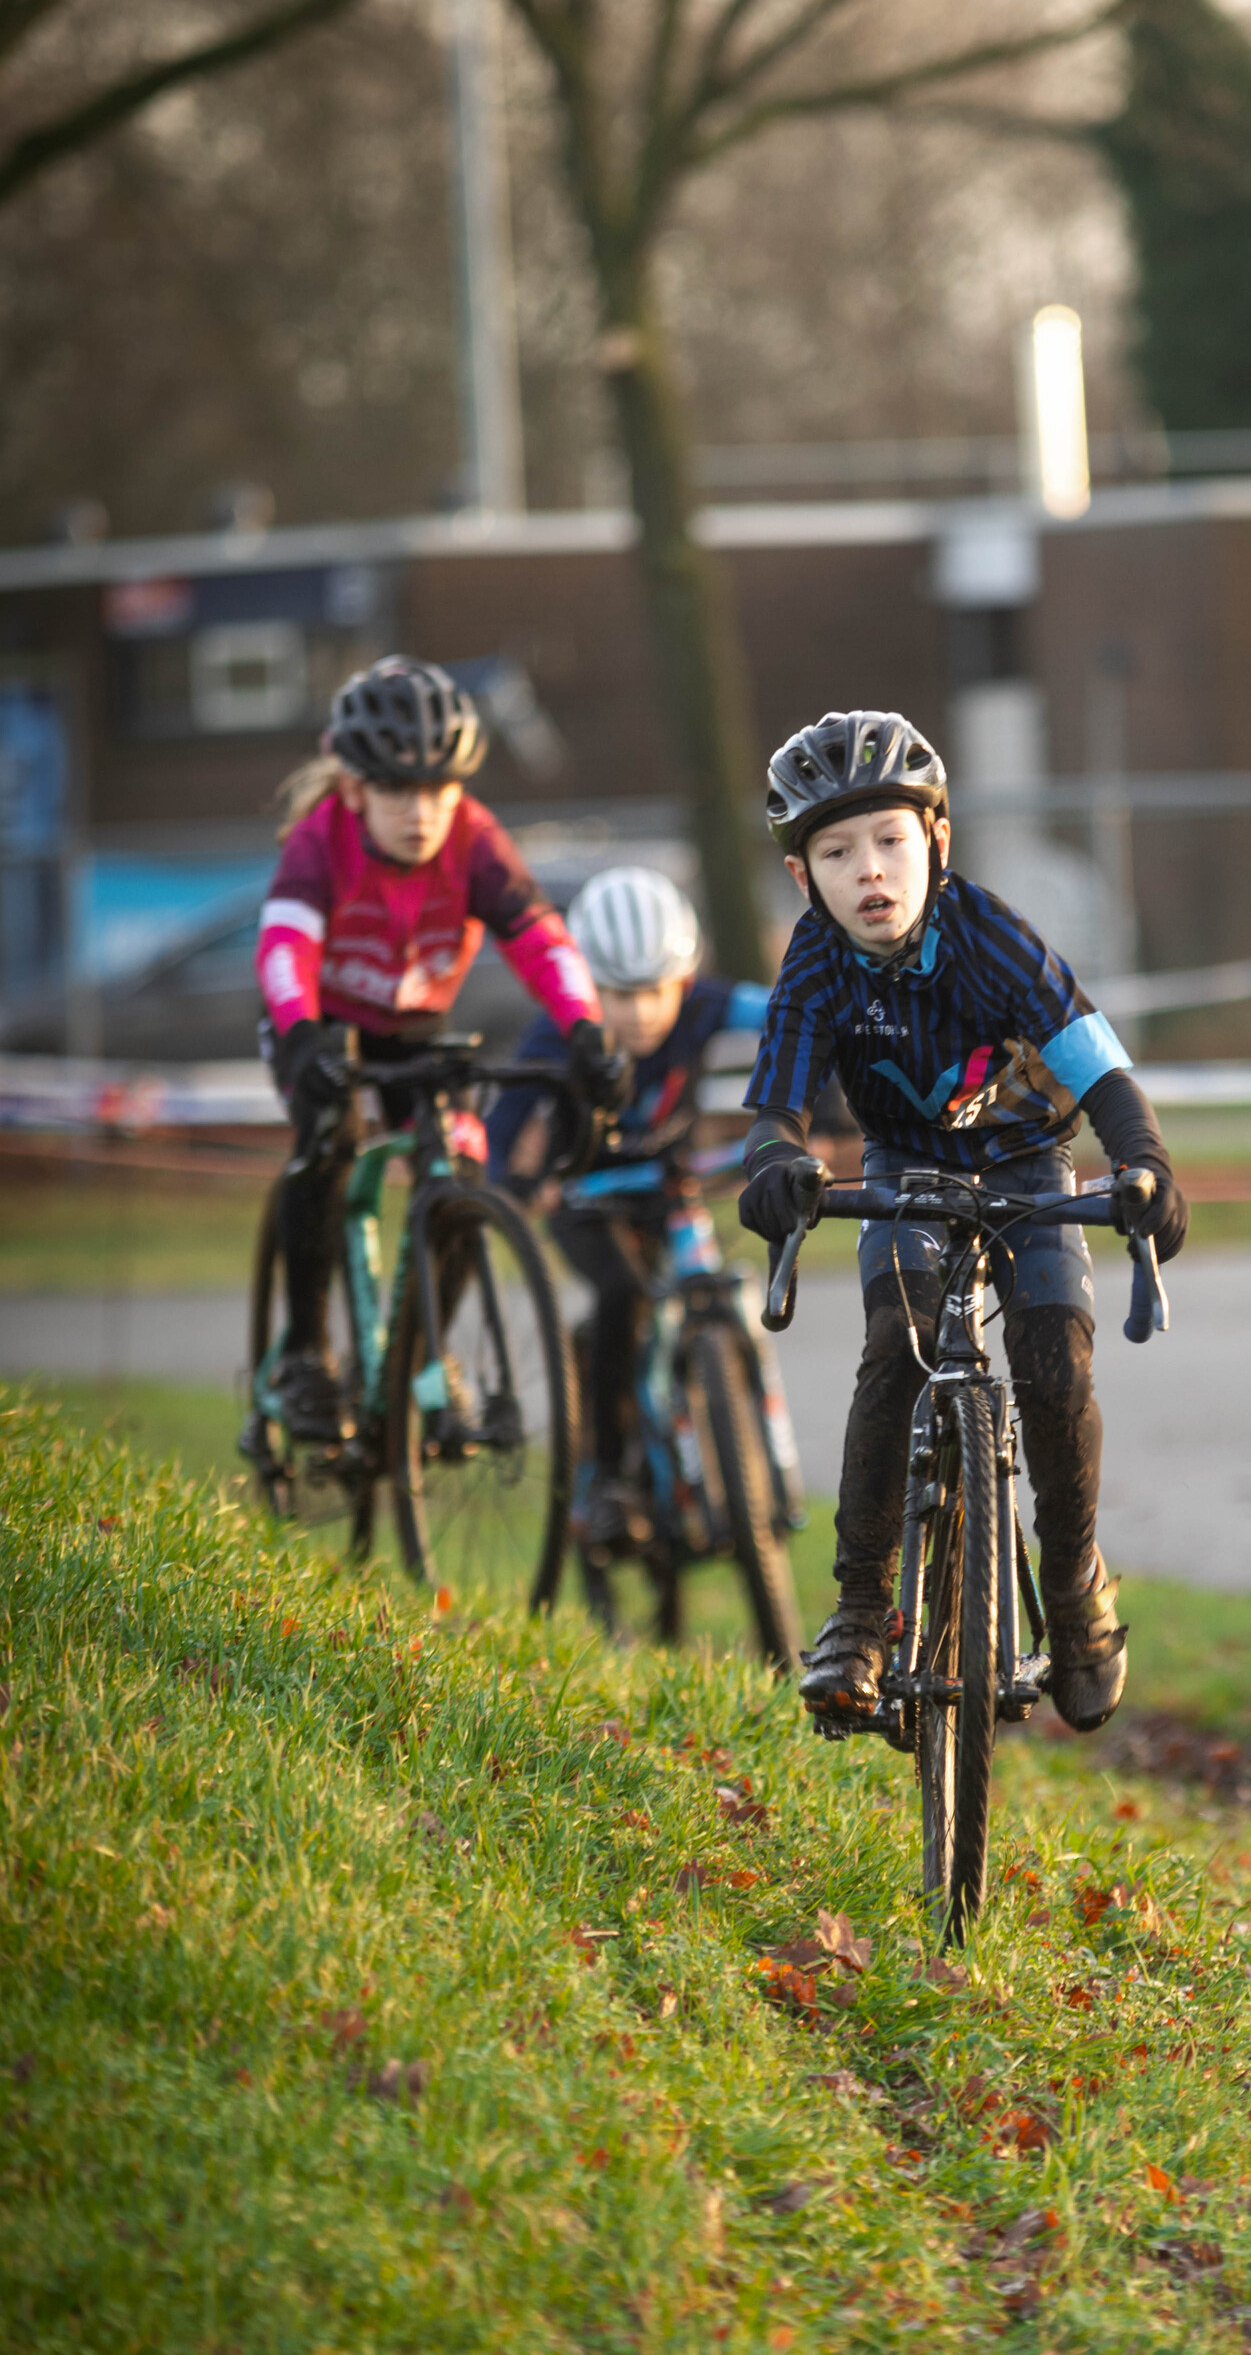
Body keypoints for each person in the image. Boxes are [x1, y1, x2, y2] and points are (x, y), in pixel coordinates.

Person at [737, 706, 1187, 1735]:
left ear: (935, 840)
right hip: (904, 1167)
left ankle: (1072, 1586)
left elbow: (1095, 1063)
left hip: (1028, 1161)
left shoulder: (987, 935)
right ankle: (859, 1614)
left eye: (891, 840)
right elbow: (777, 1103)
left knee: (1054, 1360)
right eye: (837, 852)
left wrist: (1143, 1161)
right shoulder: (814, 961)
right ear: (804, 878)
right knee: (893, 1350)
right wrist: (773, 1165)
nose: (871, 871)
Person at [255, 654, 626, 1439]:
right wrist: (299, 1037)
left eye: (439, 788)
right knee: (331, 1141)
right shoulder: (321, 841)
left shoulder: (474, 838)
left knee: (459, 1165)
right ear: (353, 785)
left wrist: (585, 1029)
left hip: (417, 1025)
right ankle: (306, 1355)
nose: (421, 812)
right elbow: (284, 947)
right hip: (321, 1023)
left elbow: (541, 940)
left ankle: (418, 1360)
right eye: (396, 790)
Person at [486, 863, 770, 1555]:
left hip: (669, 1189)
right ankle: (608, 1475)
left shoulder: (706, 1004)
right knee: (623, 1293)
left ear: (684, 977)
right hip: (583, 1200)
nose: (640, 1013)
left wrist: (822, 1107)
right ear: (586, 984)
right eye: (617, 994)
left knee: (709, 1288)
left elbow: (798, 1017)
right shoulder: (559, 1032)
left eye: (655, 992)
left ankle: (736, 1448)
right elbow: (505, 1121)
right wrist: (515, 1186)